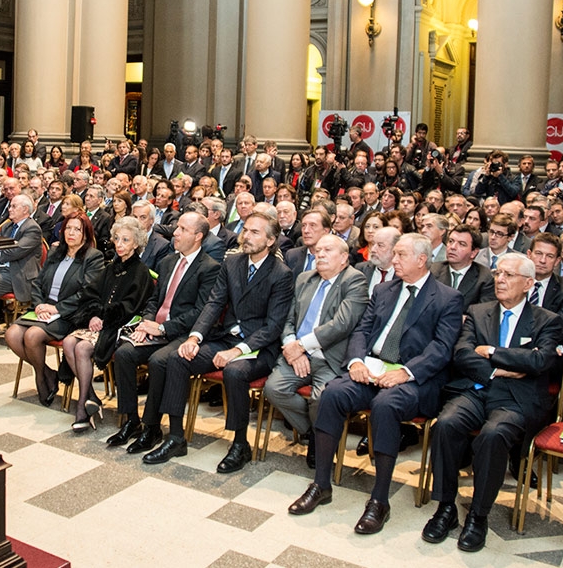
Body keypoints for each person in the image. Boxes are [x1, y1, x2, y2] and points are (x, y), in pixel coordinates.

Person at [288, 233, 463, 536]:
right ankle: (321, 484)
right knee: (332, 393)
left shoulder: (447, 298)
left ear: (422, 260)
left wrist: (406, 372)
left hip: (414, 380)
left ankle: (380, 500)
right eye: (394, 254)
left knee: (385, 406)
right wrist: (356, 361)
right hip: (371, 369)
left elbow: (442, 348)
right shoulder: (383, 290)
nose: (393, 260)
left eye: (401, 255)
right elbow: (361, 330)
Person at [421, 253, 563, 552]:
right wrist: (500, 368)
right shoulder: (478, 311)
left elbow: (539, 360)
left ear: (528, 284)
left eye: (509, 276)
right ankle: (446, 507)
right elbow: (461, 353)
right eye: (499, 273)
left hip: (515, 398)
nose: (500, 279)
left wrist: (491, 350)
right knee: (446, 424)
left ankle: (478, 514)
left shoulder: (547, 320)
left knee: (493, 435)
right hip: (478, 388)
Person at [142, 213, 294, 473]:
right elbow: (213, 303)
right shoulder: (233, 263)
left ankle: (239, 444)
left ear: (270, 240)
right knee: (179, 358)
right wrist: (194, 337)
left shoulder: (281, 274)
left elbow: (273, 327)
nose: (246, 236)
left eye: (255, 232)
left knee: (235, 371)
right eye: (245, 230)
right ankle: (176, 437)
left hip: (258, 348)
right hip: (226, 338)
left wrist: (237, 351)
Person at [109, 212, 220, 449]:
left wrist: (162, 328)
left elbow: (200, 312)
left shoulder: (209, 268)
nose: (175, 233)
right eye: (176, 227)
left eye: (182, 229)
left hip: (180, 332)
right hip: (155, 327)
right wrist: (146, 323)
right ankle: (131, 420)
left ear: (198, 236)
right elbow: (154, 300)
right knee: (124, 353)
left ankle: (152, 427)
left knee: (160, 361)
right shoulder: (168, 261)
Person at [263, 235, 369, 468]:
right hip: (296, 354)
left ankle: (319, 440)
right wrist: (293, 346)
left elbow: (342, 324)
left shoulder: (354, 280)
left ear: (343, 258)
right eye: (318, 250)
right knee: (273, 389)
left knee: (321, 399)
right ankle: (317, 434)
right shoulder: (304, 278)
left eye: (327, 250)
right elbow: (289, 318)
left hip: (330, 357)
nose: (319, 254)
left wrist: (301, 346)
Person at [61, 216, 154, 432]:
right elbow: (91, 293)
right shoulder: (111, 266)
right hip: (100, 322)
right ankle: (91, 397)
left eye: (126, 240)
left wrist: (103, 317)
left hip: (120, 325)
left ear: (136, 243)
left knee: (82, 347)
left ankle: (82, 410)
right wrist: (94, 315)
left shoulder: (140, 271)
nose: (120, 245)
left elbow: (129, 307)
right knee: (68, 342)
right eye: (117, 239)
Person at [4, 215, 104, 406]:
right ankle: (47, 372)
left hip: (68, 314)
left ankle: (41, 379)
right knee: (12, 334)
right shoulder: (56, 252)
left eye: (77, 229)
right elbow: (38, 283)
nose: (71, 233)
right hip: (44, 310)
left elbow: (87, 293)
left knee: (32, 336)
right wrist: (40, 304)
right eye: (68, 229)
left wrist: (56, 308)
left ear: (86, 234)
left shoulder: (92, 257)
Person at [0, 194, 43, 304]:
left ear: (25, 209)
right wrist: (10, 245)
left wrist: (4, 248)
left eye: (13, 206)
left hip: (17, 273)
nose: (10, 209)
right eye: (9, 206)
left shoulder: (33, 228)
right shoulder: (7, 226)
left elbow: (15, 252)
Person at [431, 224, 496, 309]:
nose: (453, 247)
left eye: (461, 244)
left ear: (473, 253)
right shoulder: (432, 271)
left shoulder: (485, 278)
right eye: (451, 241)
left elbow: (483, 314)